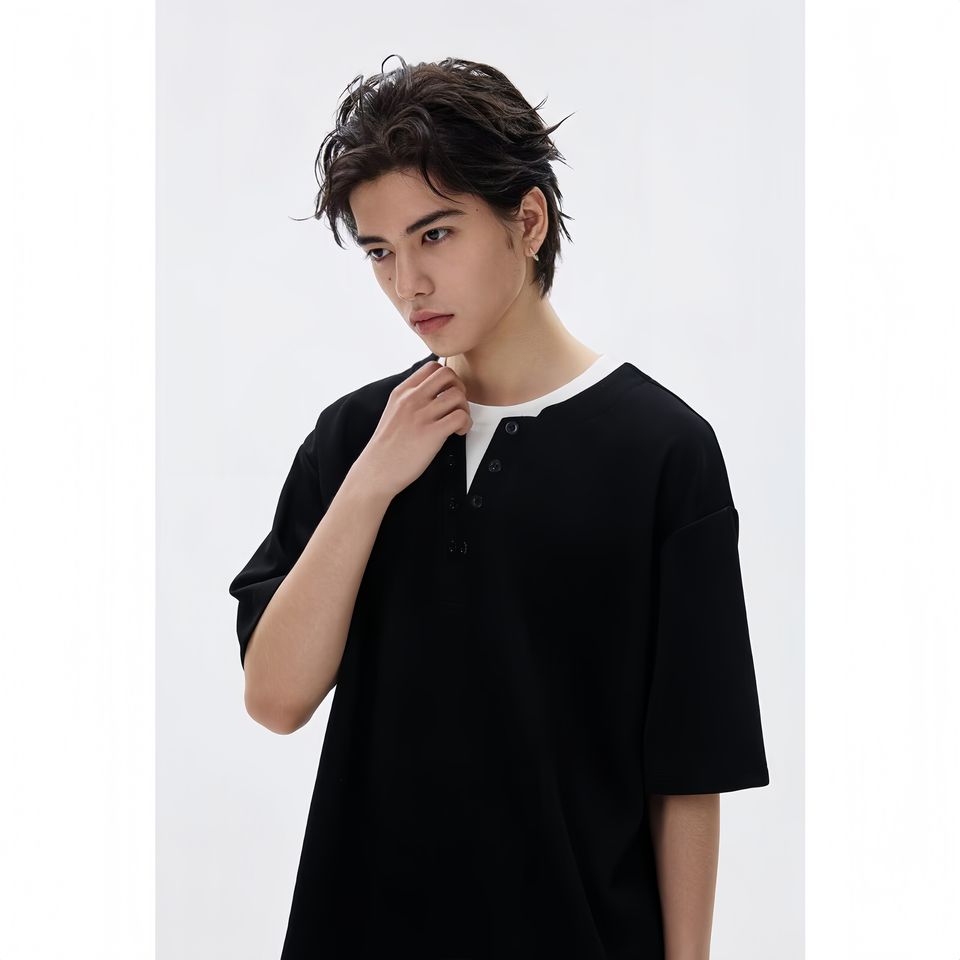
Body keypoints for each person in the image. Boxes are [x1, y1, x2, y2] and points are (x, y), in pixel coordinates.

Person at [228, 55, 770, 960]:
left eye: (435, 235)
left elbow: (688, 769)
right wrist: (372, 481)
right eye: (380, 252)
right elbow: (275, 698)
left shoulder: (663, 451)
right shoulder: (357, 436)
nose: (408, 284)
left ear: (527, 220)